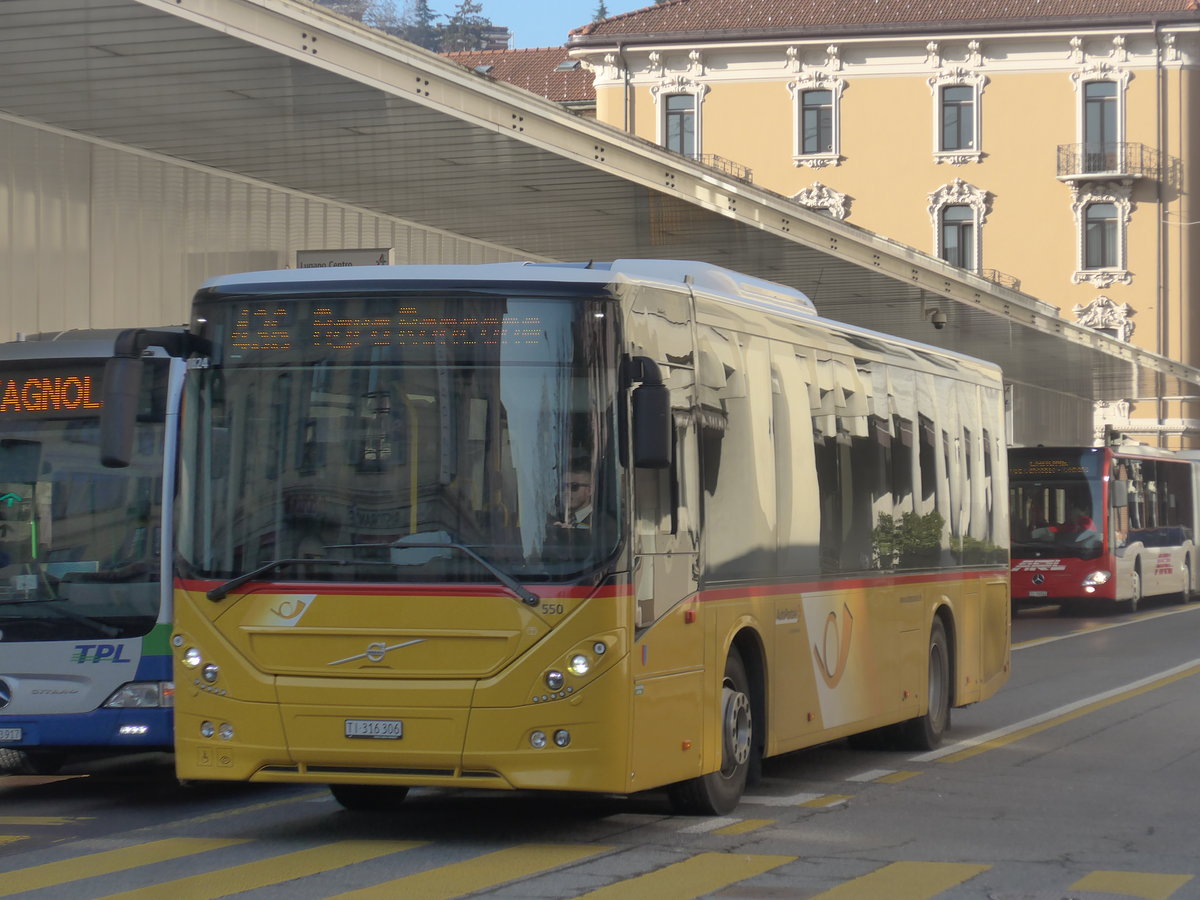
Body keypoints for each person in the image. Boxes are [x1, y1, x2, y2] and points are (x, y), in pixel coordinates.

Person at [555, 462, 593, 529]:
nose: (566, 491)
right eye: (563, 486)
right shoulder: (559, 519)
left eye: (574, 486)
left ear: (589, 490)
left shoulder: (602, 525)